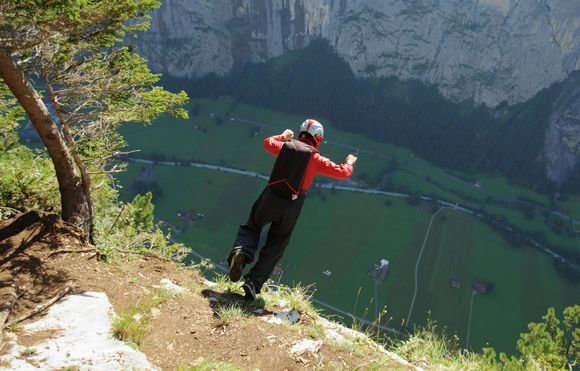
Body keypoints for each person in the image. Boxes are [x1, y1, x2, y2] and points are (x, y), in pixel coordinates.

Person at [226, 119, 358, 300]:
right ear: (318, 138)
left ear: (301, 132)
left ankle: (241, 252)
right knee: (277, 242)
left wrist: (283, 136)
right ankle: (253, 282)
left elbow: (267, 143)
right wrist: (350, 161)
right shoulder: (316, 158)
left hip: (270, 195)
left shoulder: (285, 146)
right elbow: (343, 173)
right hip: (292, 204)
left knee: (253, 227)